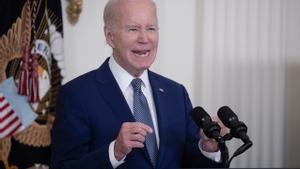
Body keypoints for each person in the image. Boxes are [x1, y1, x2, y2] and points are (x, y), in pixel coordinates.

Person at [50, 0, 227, 168]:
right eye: (133, 29)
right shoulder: (76, 95)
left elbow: (189, 160)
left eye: (151, 28)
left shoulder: (176, 94)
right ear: (110, 37)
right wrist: (114, 152)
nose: (144, 38)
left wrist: (207, 149)